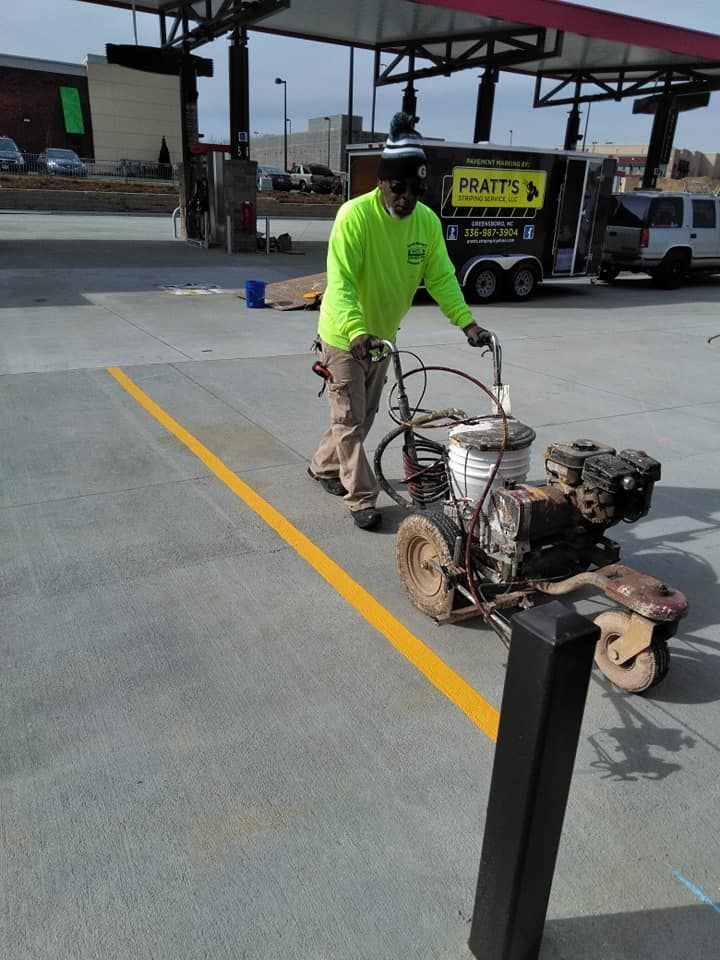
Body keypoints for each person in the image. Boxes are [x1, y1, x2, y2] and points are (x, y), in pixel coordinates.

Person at [308, 112, 493, 531]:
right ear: (381, 181)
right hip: (344, 335)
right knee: (350, 419)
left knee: (362, 416)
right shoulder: (354, 217)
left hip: (382, 336)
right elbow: (340, 283)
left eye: (416, 189)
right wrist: (355, 330)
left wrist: (467, 323)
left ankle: (323, 466)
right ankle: (360, 497)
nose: (406, 198)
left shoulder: (426, 223)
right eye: (398, 187)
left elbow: (442, 277)